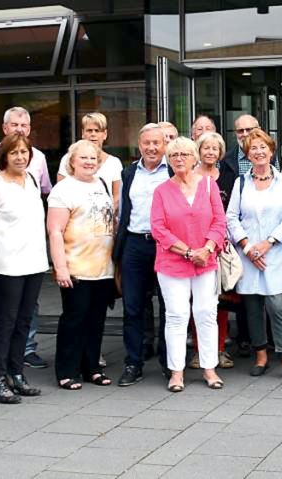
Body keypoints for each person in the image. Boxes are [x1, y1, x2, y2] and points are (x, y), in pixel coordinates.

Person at [0, 107, 52, 377]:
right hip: (5, 265)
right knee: (4, 321)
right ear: (3, 156)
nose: (20, 157)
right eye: (14, 152)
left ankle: (16, 374)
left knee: (23, 320)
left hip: (33, 262)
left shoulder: (30, 180)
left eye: (24, 152)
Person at [227, 129, 282, 382]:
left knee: (276, 305)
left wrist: (268, 243)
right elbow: (231, 218)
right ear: (248, 155)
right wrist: (249, 247)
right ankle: (260, 355)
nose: (259, 152)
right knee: (252, 306)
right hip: (248, 254)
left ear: (271, 151)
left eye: (263, 147)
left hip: (274, 253)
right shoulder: (241, 182)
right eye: (253, 149)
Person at [151, 137, 227, 391]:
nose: (179, 159)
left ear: (195, 157)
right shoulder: (162, 190)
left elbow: (219, 221)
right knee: (177, 316)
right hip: (173, 263)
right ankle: (176, 372)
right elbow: (158, 228)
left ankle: (209, 368)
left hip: (205, 261)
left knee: (206, 313)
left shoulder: (208, 185)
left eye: (184, 154)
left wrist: (205, 249)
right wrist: (187, 252)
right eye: (174, 156)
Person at [48, 140, 116, 391]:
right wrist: (61, 267)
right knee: (74, 320)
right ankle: (67, 370)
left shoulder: (101, 184)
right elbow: (55, 231)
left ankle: (92, 368)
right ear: (72, 162)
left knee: (96, 320)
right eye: (84, 158)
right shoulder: (64, 189)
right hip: (76, 267)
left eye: (94, 159)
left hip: (103, 267)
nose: (89, 162)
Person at [116, 123, 172, 387]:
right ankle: (133, 362)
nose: (151, 148)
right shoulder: (128, 173)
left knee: (168, 305)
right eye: (147, 143)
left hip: (166, 246)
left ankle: (168, 363)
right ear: (139, 146)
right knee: (133, 306)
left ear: (165, 145)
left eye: (157, 143)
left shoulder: (173, 171)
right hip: (135, 245)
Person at [191, 131, 235, 369]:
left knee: (220, 301)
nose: (210, 152)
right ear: (198, 151)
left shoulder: (228, 176)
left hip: (221, 245)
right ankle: (199, 351)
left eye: (214, 149)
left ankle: (219, 350)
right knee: (197, 302)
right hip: (195, 246)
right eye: (206, 148)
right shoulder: (190, 176)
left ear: (220, 152)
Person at [57, 112, 123, 210]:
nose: (93, 134)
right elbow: (60, 192)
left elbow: (117, 196)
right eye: (89, 130)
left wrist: (106, 214)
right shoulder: (68, 158)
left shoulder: (114, 163)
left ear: (105, 134)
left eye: (97, 131)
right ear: (83, 133)